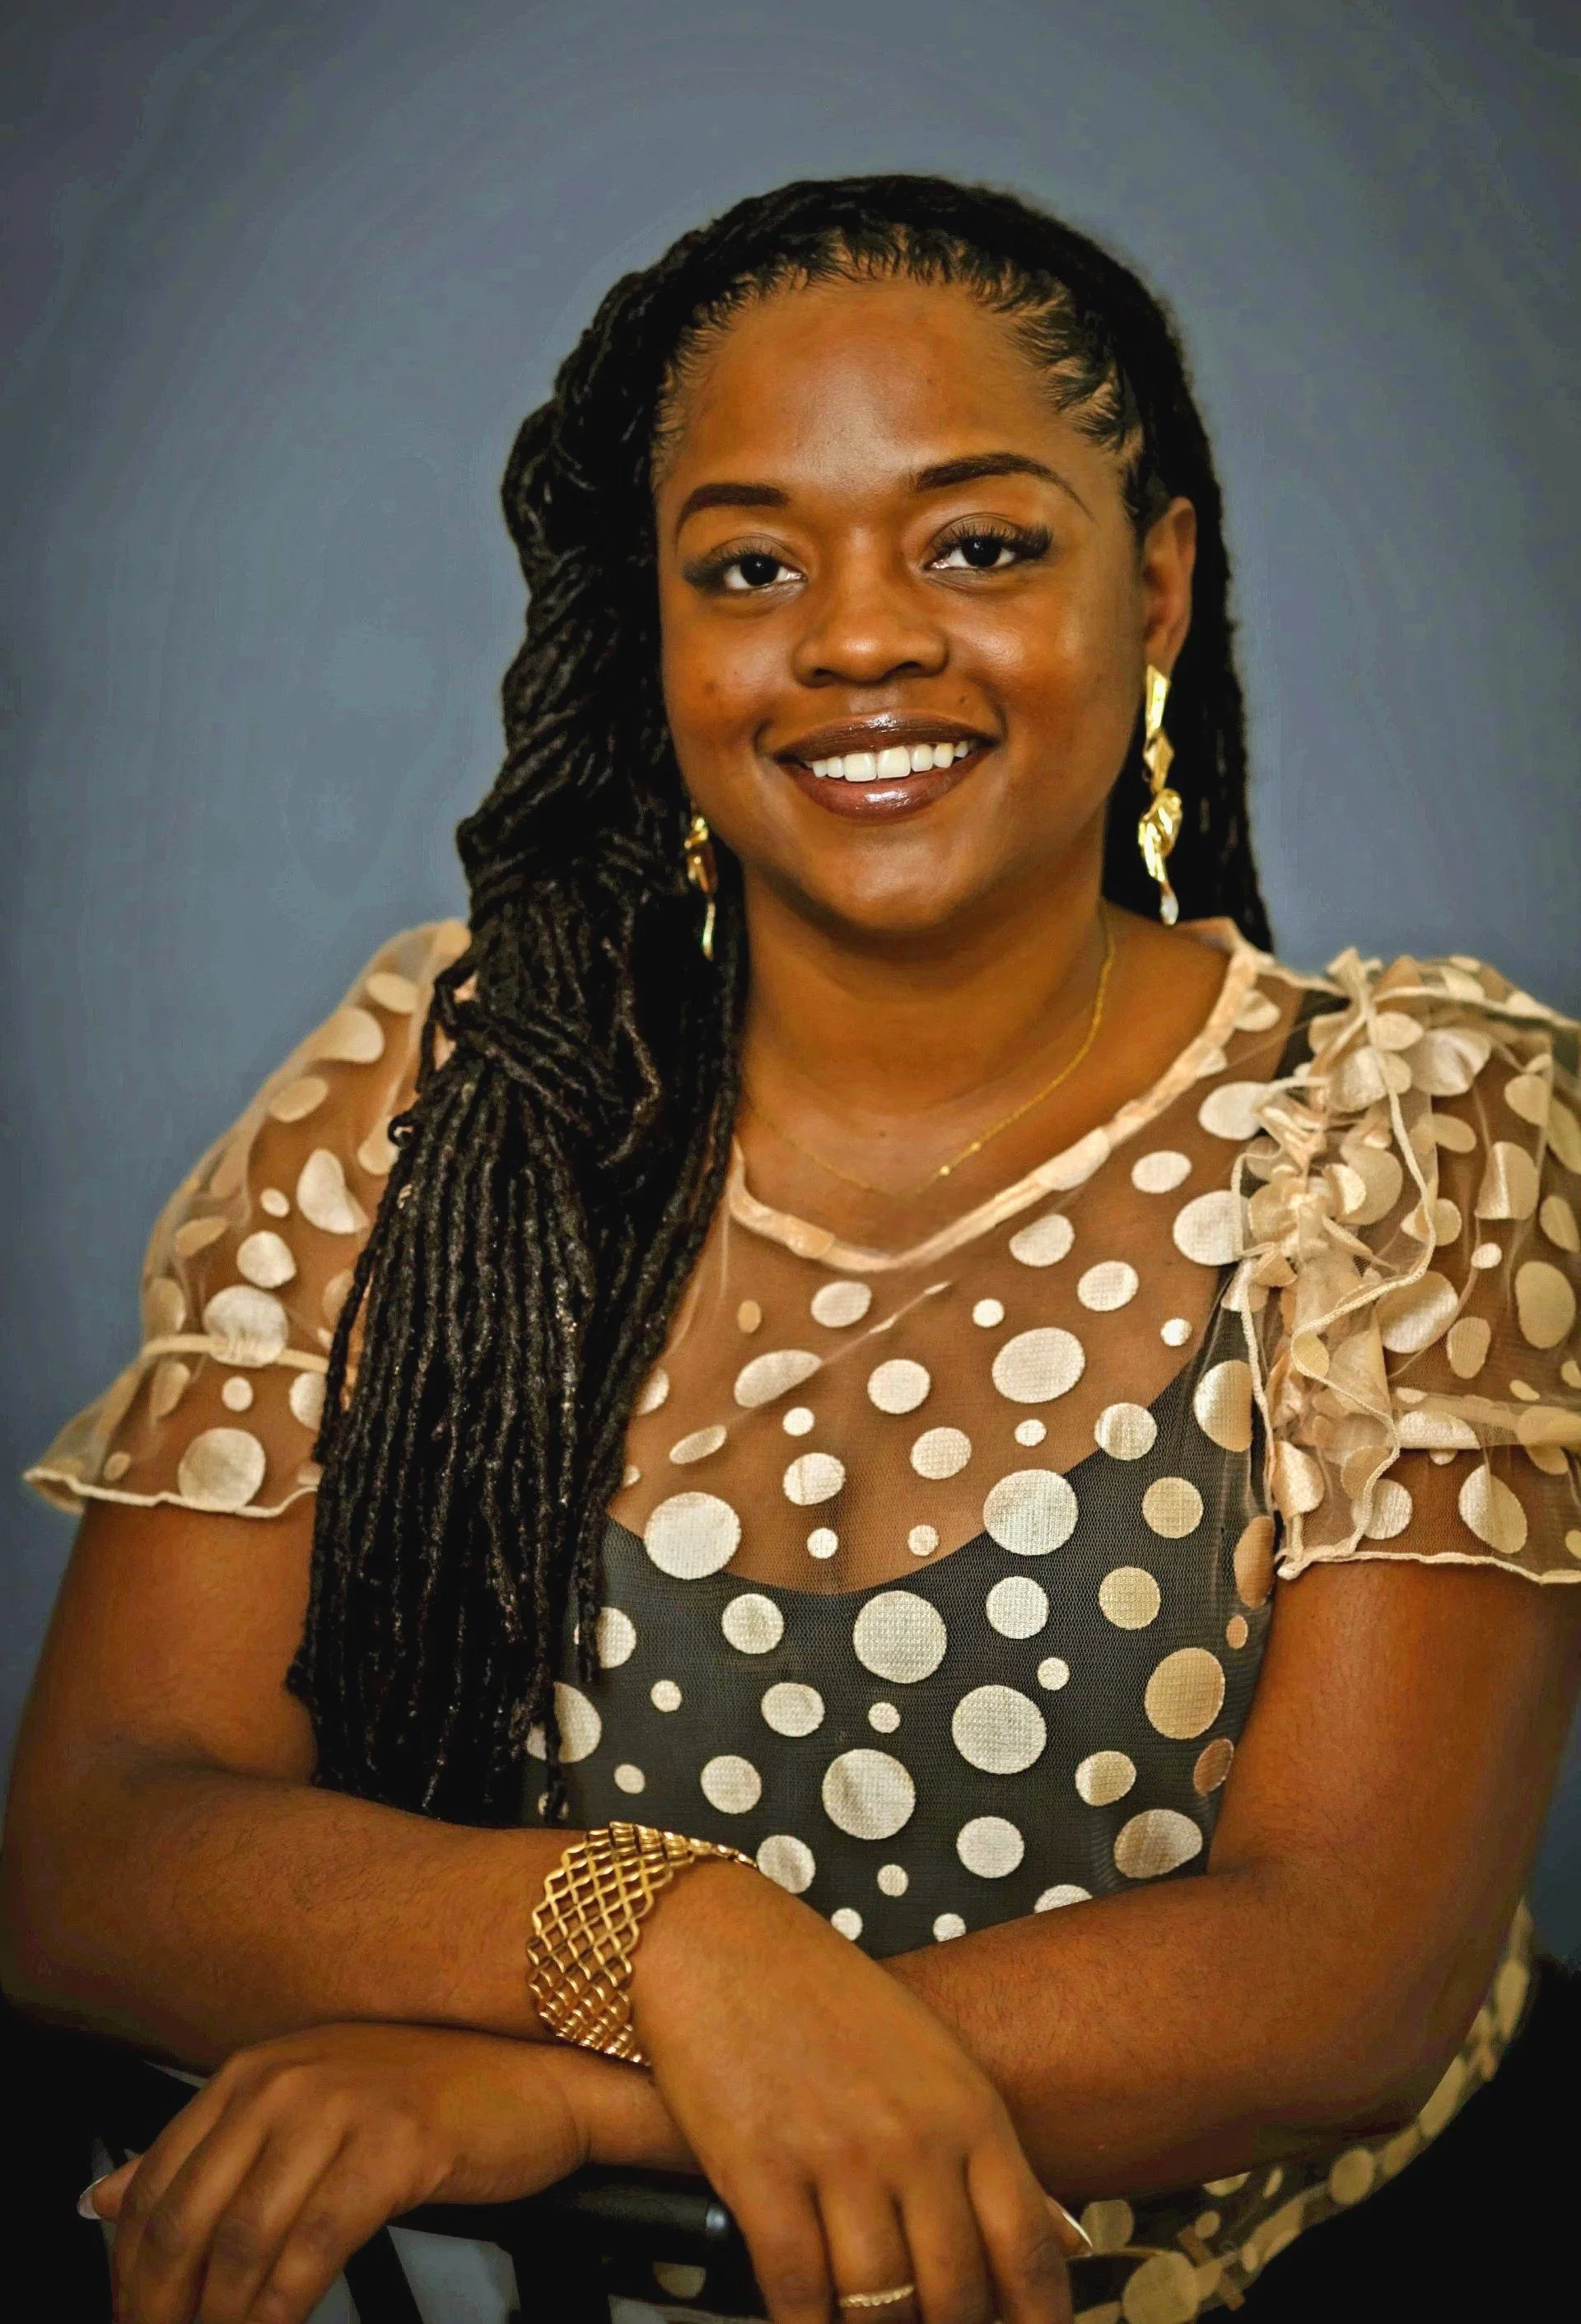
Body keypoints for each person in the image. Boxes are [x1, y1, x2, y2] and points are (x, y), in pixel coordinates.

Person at [4, 173, 1579, 2324]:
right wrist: (665, 1932)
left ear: (1162, 588)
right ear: (659, 635)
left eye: (981, 544)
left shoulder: (1410, 1134)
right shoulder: (443, 1102)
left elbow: (1338, 1976)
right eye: (751, 565)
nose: (858, 639)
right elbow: (99, 1843)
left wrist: (573, 2094)